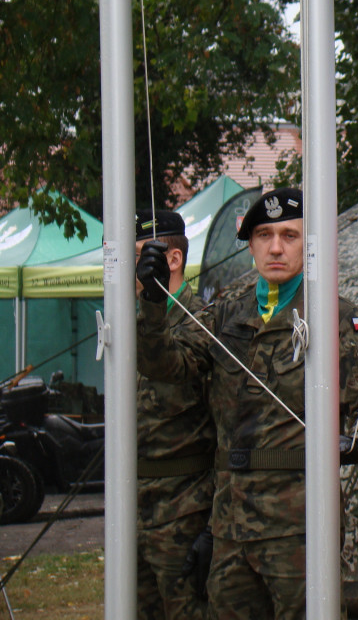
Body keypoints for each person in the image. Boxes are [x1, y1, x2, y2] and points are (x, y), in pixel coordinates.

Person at [135, 188, 358, 620]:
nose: (276, 247)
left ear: (308, 244)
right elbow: (165, 365)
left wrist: (355, 443)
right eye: (264, 235)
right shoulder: (223, 317)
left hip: (299, 527)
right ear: (251, 244)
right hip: (231, 528)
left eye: (289, 235)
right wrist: (151, 303)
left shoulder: (335, 318)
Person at [134, 209, 216, 620]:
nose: (133, 269)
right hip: (133, 504)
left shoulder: (200, 321)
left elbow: (167, 362)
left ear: (172, 260)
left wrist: (214, 526)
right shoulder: (130, 323)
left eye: (141, 257)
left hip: (183, 508)